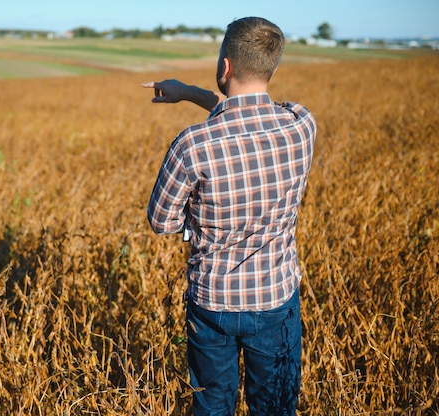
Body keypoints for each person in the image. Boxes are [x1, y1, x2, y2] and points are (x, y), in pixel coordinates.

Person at [142, 17, 317, 416]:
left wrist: (197, 219)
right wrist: (190, 93)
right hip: (276, 300)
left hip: (212, 302)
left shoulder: (192, 144)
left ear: (225, 67)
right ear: (271, 67)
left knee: (212, 404)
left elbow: (161, 222)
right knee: (274, 407)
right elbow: (245, 114)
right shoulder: (301, 125)